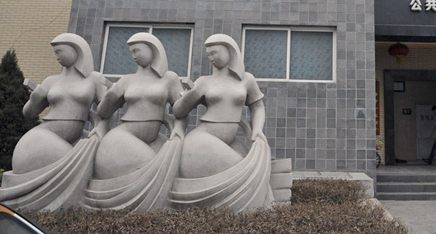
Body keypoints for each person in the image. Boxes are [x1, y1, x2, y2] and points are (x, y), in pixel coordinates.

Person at [0, 33, 108, 210]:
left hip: (74, 137)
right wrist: (35, 98)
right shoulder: (51, 81)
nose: (56, 56)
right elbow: (29, 113)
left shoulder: (94, 79)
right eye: (55, 52)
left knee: (92, 161)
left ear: (76, 51)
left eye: (59, 51)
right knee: (80, 164)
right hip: (41, 138)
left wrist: (101, 127)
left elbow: (106, 110)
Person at [93, 32, 185, 180]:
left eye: (137, 50)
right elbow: (103, 113)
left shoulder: (169, 78)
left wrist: (178, 128)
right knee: (157, 171)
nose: (133, 56)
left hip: (154, 139)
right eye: (131, 52)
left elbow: (181, 111)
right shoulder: (127, 80)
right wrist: (110, 95)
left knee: (170, 170)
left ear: (152, 49)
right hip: (123, 136)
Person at [173, 33, 266, 178]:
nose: (210, 57)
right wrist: (191, 94)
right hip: (202, 140)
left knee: (255, 169)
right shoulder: (203, 82)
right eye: (208, 54)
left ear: (229, 51)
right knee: (246, 173)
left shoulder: (247, 80)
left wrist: (257, 129)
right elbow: (178, 112)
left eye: (214, 53)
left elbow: (257, 106)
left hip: (230, 141)